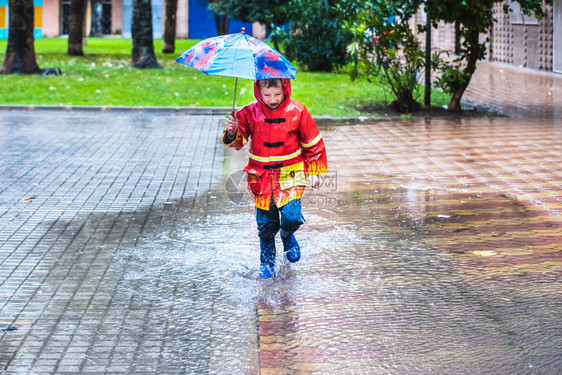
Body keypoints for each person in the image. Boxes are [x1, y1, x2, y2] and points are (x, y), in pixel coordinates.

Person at [223, 78, 328, 278]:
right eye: (267, 95)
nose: (273, 99)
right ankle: (267, 262)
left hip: (291, 174)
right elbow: (238, 142)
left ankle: (287, 234)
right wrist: (232, 131)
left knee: (291, 215)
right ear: (258, 92)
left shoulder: (298, 111)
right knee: (265, 224)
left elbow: (312, 142)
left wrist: (314, 170)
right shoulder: (248, 112)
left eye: (277, 95)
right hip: (261, 176)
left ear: (285, 89)